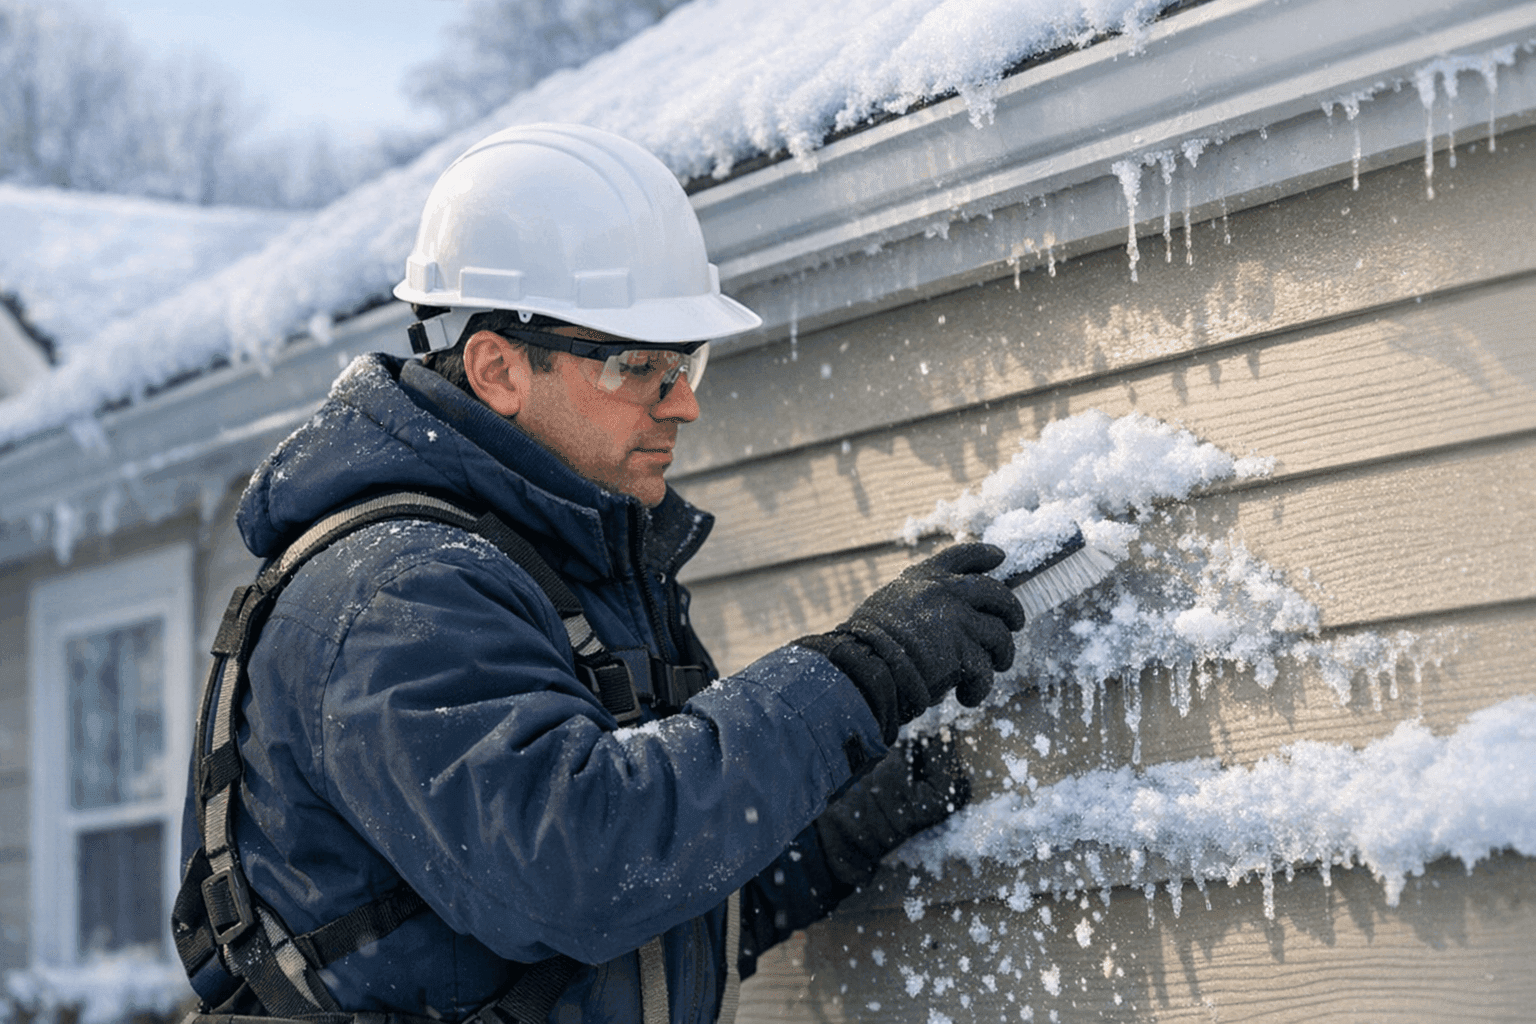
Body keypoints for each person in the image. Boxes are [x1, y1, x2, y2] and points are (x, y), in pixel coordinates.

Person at [176, 123, 1025, 1024]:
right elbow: (580, 870)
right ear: (498, 368)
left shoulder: (570, 576)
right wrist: (862, 673)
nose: (685, 402)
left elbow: (660, 920)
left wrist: (866, 806)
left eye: (685, 360)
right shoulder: (402, 592)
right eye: (636, 363)